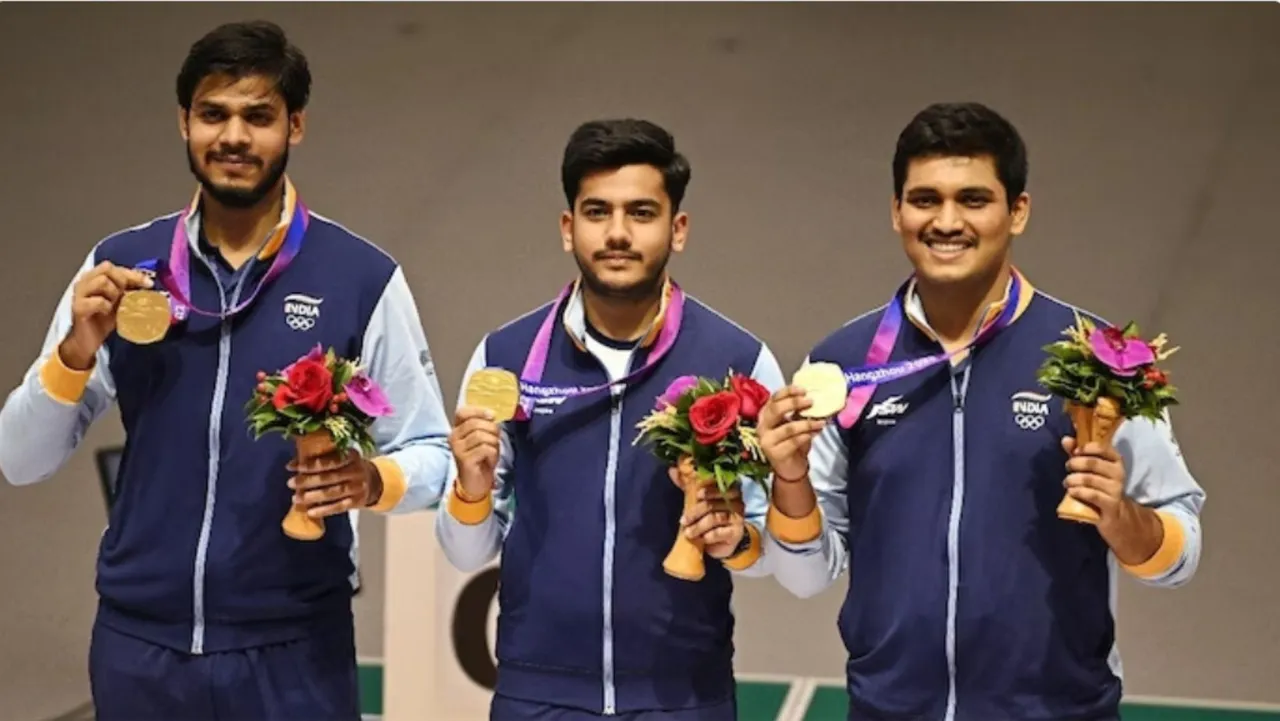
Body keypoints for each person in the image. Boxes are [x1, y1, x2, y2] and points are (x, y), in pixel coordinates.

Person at [0, 21, 453, 721]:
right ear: (184, 122)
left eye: (258, 116)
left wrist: (370, 479)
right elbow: (19, 459)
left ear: (295, 126)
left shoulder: (361, 276)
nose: (234, 136)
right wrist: (74, 353)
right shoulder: (121, 266)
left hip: (295, 646)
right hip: (138, 643)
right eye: (213, 113)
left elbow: (433, 455)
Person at [756, 102, 1206, 721]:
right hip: (888, 710)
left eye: (973, 199)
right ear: (896, 212)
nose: (946, 221)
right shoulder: (844, 366)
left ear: (1016, 211)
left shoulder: (1101, 361)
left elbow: (1180, 556)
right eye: (924, 199)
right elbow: (805, 577)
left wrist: (1121, 517)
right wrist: (789, 478)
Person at [437, 118, 783, 720]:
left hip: (682, 697)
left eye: (641, 213)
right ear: (569, 228)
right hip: (537, 693)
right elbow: (467, 554)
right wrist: (470, 486)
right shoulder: (505, 357)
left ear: (678, 229)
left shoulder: (738, 361)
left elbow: (773, 550)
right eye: (598, 212)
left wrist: (736, 541)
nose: (618, 233)